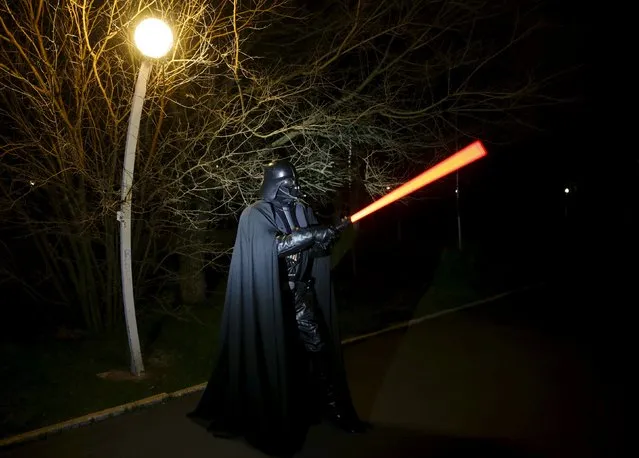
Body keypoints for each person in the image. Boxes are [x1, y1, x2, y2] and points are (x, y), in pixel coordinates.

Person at [188, 160, 368, 456]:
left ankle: (336, 412)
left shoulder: (302, 210)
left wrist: (328, 235)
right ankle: (278, 422)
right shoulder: (254, 214)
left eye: (294, 182)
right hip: (273, 298)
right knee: (277, 358)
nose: (294, 188)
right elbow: (272, 246)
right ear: (273, 184)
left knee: (319, 352)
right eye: (286, 184)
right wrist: (312, 234)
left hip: (302, 296)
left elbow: (316, 251)